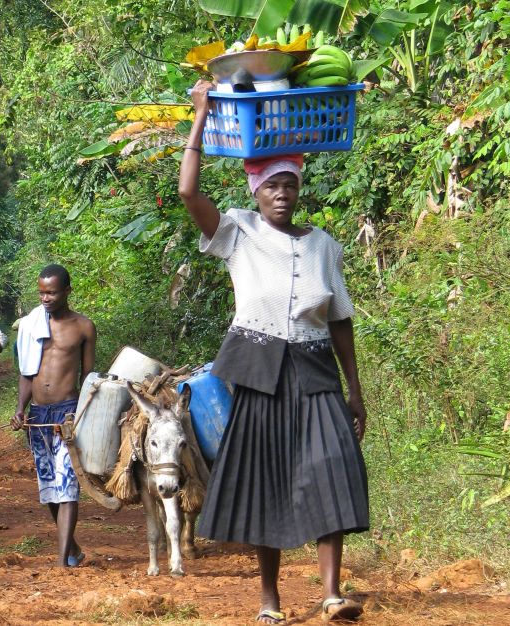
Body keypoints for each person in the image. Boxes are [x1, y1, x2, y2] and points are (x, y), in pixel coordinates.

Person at [178, 80, 369, 624]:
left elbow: (340, 321)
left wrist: (355, 390)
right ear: (256, 193)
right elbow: (190, 194)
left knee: (333, 466)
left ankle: (332, 593)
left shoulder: (323, 246)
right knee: (267, 479)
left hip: (314, 373)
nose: (282, 193)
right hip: (260, 375)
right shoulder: (238, 232)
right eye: (272, 186)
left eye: (289, 184)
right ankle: (269, 600)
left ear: (299, 189)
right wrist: (200, 116)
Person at [11, 264, 96, 567]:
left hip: (66, 413)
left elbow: (88, 376)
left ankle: (61, 561)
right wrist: (20, 409)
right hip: (38, 415)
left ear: (67, 292)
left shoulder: (83, 327)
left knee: (68, 483)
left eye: (52, 292)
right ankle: (72, 547)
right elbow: (25, 372)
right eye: (41, 292)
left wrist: (79, 415)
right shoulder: (32, 324)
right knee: (49, 488)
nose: (45, 298)